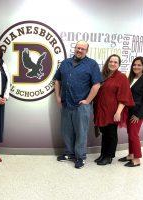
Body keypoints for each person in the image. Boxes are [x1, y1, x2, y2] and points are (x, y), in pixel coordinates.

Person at [54, 40, 102, 169]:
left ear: (87, 51)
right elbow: (57, 80)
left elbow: (97, 84)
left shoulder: (92, 64)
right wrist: (58, 97)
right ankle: (69, 153)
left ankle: (80, 157)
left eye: (83, 49)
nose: (79, 50)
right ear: (74, 48)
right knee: (66, 131)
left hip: (82, 106)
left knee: (81, 132)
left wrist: (87, 101)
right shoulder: (65, 63)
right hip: (66, 104)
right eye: (78, 48)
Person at [93, 54, 135, 165]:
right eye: (111, 61)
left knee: (111, 134)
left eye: (115, 62)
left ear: (118, 64)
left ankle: (109, 156)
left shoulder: (122, 77)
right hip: (101, 110)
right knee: (104, 133)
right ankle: (103, 154)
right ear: (107, 62)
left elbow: (124, 96)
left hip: (112, 111)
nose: (112, 64)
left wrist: (118, 112)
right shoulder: (103, 76)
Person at [118, 56, 143, 167]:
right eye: (134, 64)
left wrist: (138, 115)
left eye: (139, 65)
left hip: (137, 114)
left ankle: (137, 159)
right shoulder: (130, 79)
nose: (136, 67)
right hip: (128, 111)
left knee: (134, 135)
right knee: (130, 134)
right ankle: (131, 155)